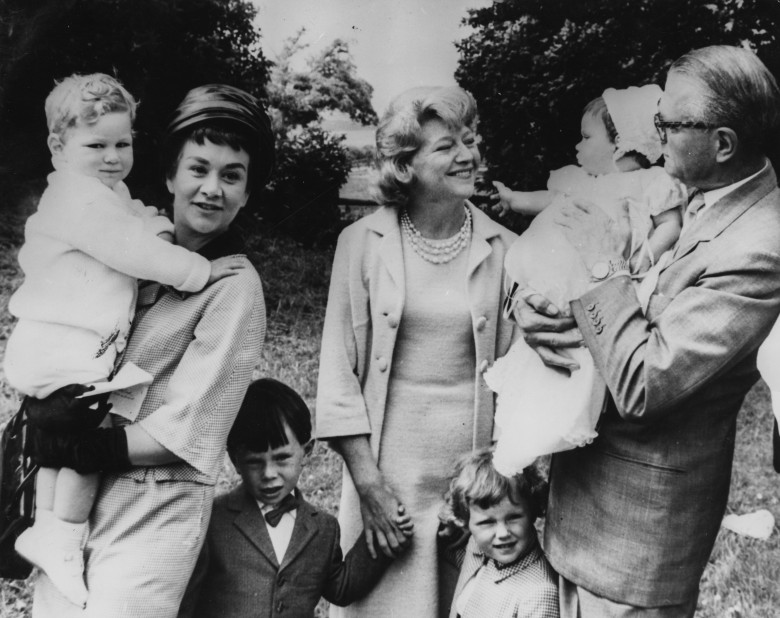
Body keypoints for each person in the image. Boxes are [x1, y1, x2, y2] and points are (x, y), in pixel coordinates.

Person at [513, 45, 780, 616]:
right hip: (580, 510)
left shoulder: (760, 247)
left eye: (670, 122)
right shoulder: (689, 186)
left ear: (723, 143)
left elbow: (644, 383)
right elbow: (561, 252)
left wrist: (603, 266)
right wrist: (528, 311)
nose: (653, 130)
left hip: (632, 546)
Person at [28, 83, 273, 618]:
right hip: (76, 510)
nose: (212, 189)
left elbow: (192, 426)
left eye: (232, 176)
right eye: (199, 168)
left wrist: (81, 447)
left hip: (153, 513)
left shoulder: (234, 286)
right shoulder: (125, 250)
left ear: (248, 192)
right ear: (169, 176)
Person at [315, 86, 517, 617]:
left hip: (469, 475)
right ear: (405, 165)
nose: (467, 155)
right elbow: (338, 377)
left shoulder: (505, 250)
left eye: (470, 141)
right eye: (446, 146)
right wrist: (369, 486)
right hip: (388, 470)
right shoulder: (361, 243)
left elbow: (518, 381)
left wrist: (496, 482)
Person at [486, 85, 685, 475]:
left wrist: (642, 257)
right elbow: (544, 199)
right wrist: (512, 200)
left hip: (604, 284)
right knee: (543, 346)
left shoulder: (650, 184)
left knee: (581, 358)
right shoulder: (579, 181)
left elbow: (670, 224)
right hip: (559, 278)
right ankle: (524, 427)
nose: (577, 147)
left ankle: (560, 421)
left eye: (586, 136)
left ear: (620, 144)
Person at [180, 378, 412, 618]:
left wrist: (387, 531)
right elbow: (186, 600)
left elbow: (342, 588)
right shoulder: (212, 520)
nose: (269, 474)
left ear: (307, 451)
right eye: (254, 462)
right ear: (235, 460)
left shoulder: (323, 528)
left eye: (282, 458)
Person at [440, 448, 558, 618]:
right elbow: (450, 549)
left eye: (513, 517)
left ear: (532, 510)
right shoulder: (478, 548)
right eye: (487, 522)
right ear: (467, 523)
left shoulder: (539, 593)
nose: (502, 533)